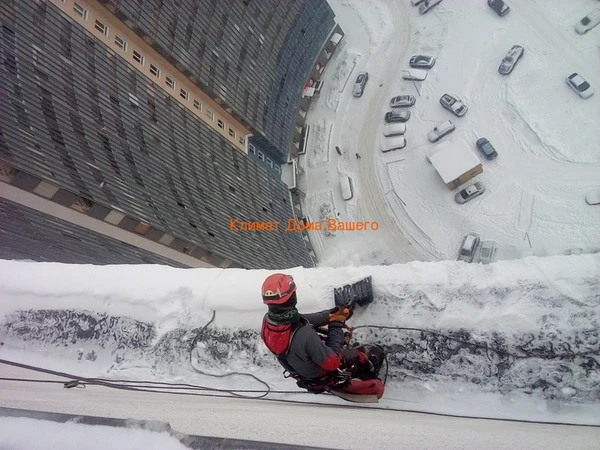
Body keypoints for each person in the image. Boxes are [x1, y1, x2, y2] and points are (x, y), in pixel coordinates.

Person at [260, 273, 385, 399]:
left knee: (336, 349)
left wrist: (331, 315)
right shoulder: (305, 335)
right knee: (360, 360)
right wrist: (336, 325)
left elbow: (300, 320)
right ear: (292, 297)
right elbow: (333, 362)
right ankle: (368, 367)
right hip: (321, 376)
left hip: (302, 369)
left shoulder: (269, 322)